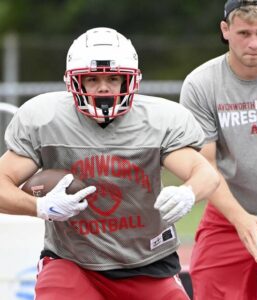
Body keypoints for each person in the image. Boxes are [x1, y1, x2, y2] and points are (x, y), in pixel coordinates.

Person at [0, 27, 220, 300]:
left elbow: (205, 174)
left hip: (147, 264)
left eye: (113, 78)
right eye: (92, 78)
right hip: (73, 262)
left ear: (130, 81)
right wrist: (40, 206)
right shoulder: (46, 119)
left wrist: (188, 192)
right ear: (74, 82)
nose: (103, 87)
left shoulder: (159, 120)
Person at [180, 0, 257, 299]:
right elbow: (205, 166)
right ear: (225, 30)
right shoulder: (201, 83)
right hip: (227, 214)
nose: (254, 44)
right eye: (244, 33)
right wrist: (239, 217)